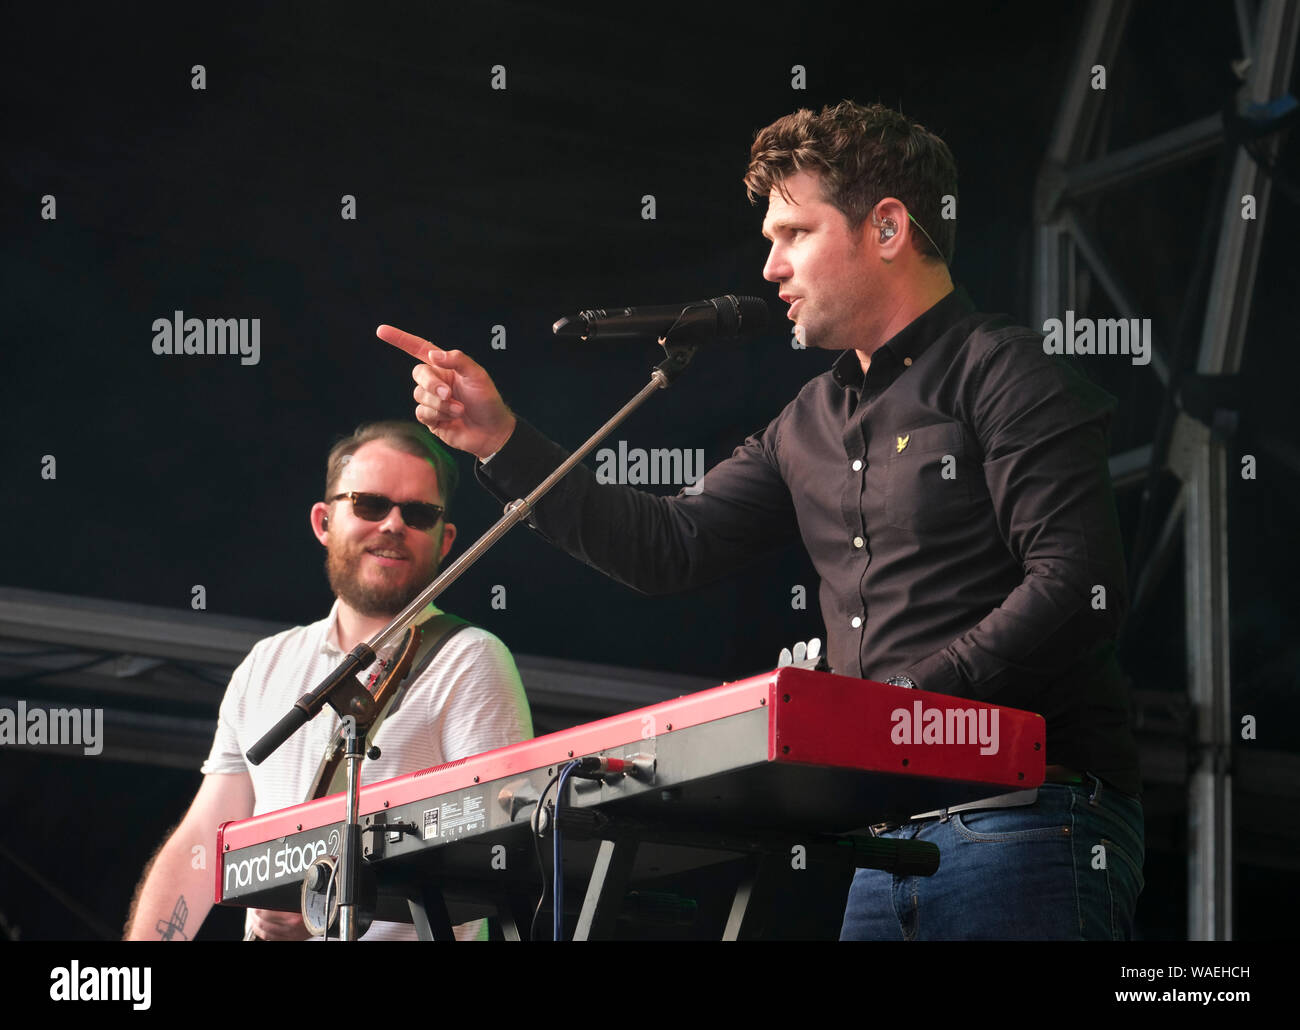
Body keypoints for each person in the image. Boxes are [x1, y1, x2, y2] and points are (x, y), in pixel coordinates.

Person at [382, 100, 1144, 940]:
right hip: (884, 844)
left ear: (887, 228)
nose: (771, 266)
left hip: (1024, 821)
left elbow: (1079, 586)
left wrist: (898, 705)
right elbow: (669, 546)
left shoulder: (1007, 372)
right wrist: (501, 440)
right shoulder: (808, 420)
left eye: (794, 233)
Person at [125, 421, 533, 941]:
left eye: (419, 514)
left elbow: (500, 856)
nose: (392, 524)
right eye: (369, 504)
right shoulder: (265, 663)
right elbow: (202, 843)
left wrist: (328, 911)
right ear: (323, 521)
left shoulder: (472, 659)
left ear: (445, 539)